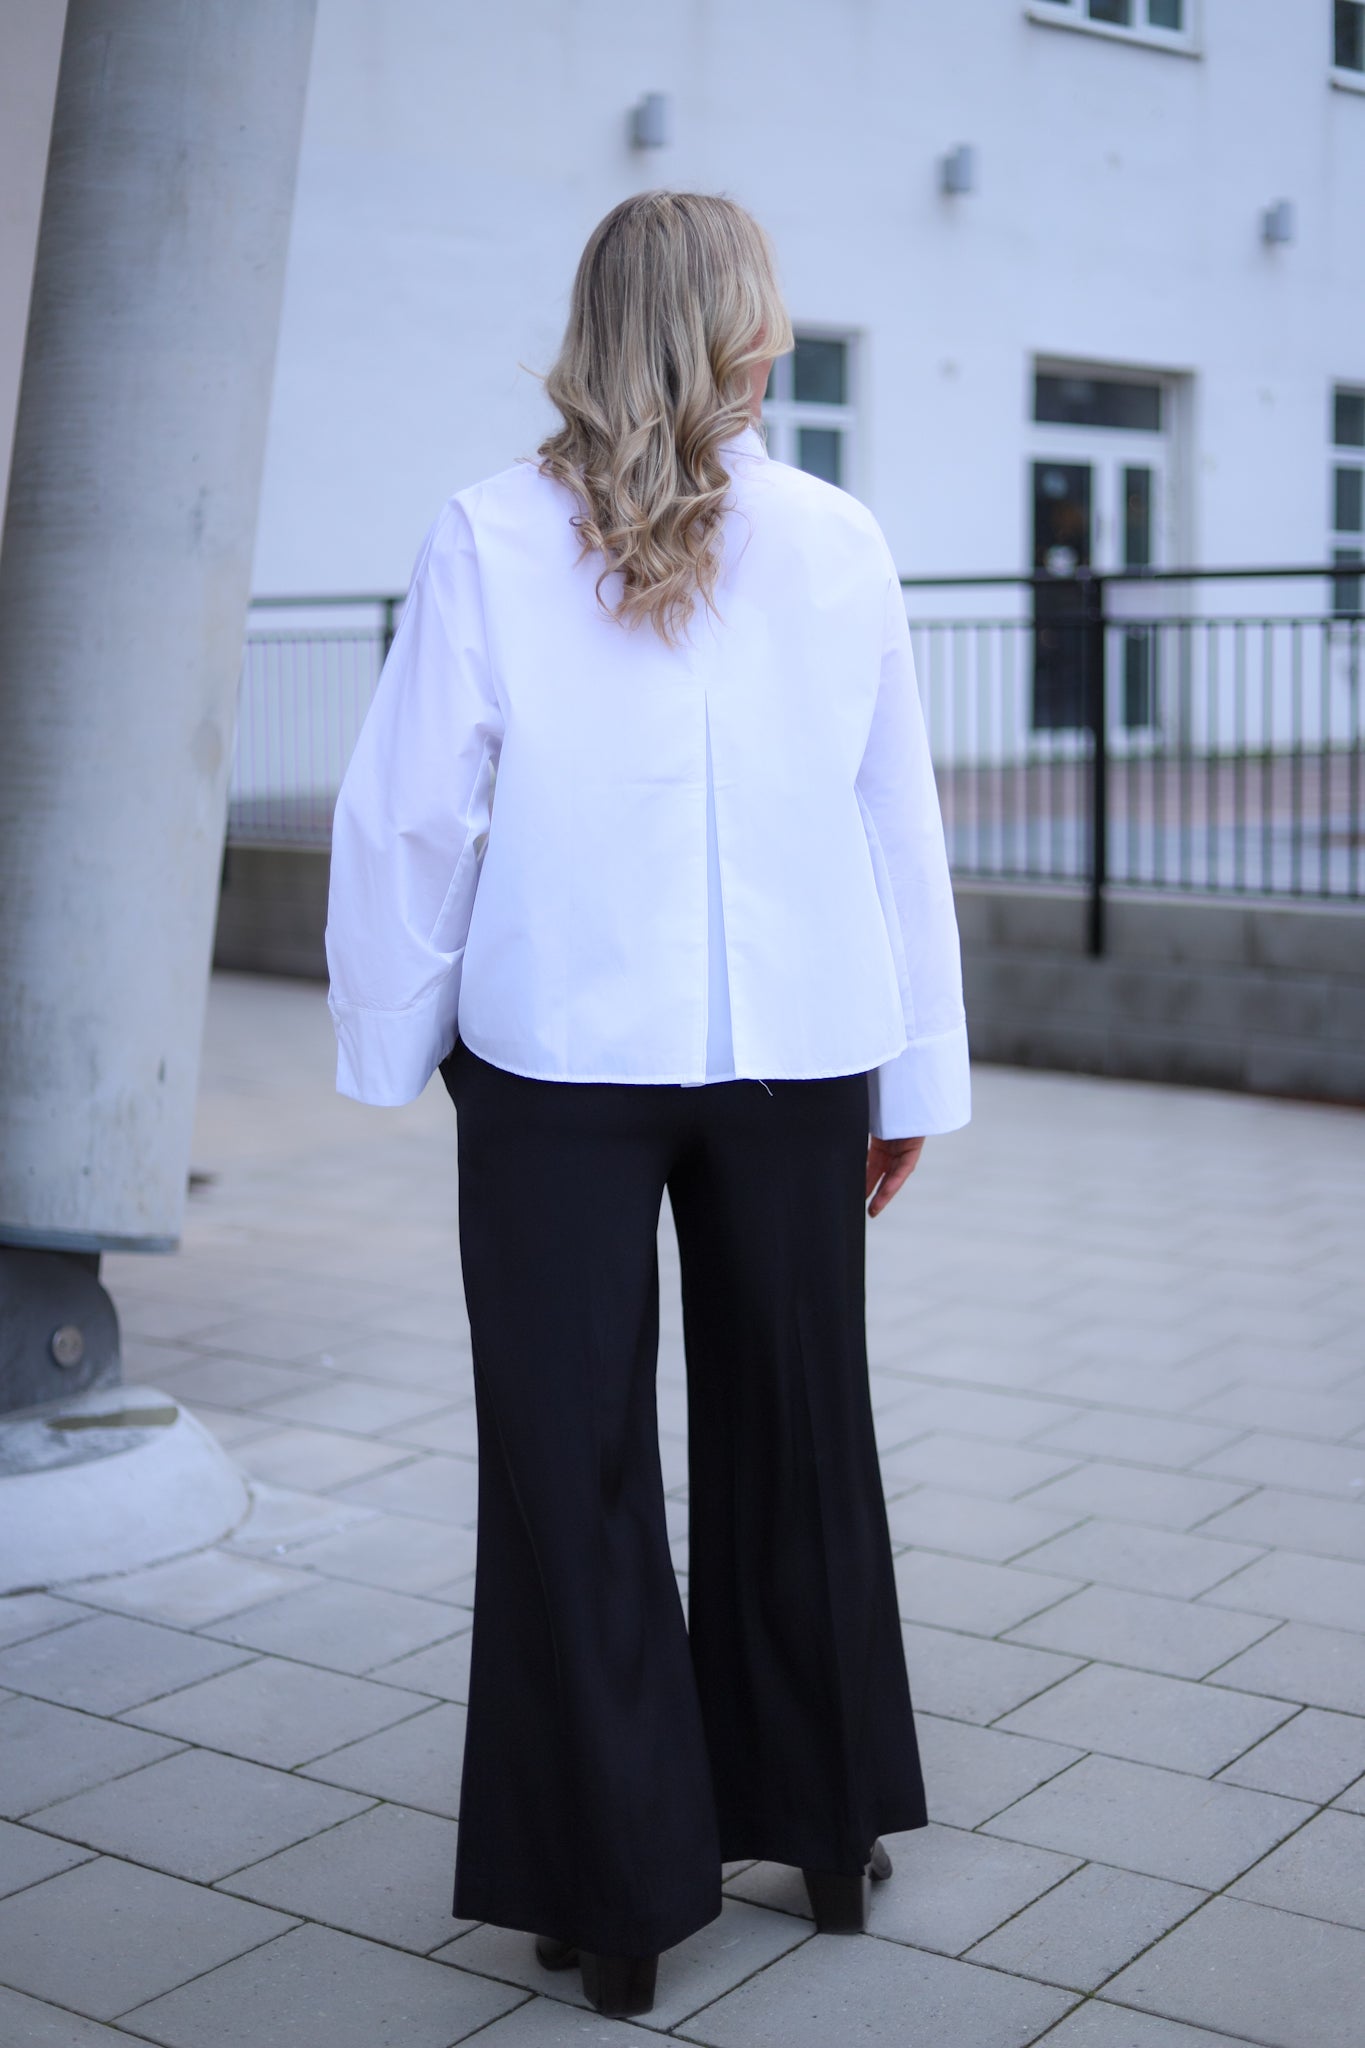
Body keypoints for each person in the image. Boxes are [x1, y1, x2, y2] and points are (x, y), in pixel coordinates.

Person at [325, 189, 970, 2019]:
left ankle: (612, 1897)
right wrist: (910, 1069)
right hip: (800, 1056)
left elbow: (412, 816)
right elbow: (892, 820)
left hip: (555, 1065)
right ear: (747, 329)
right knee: (800, 1430)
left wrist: (392, 1039)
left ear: (595, 325)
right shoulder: (838, 536)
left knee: (571, 1460)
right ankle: (822, 1830)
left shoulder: (487, 529)